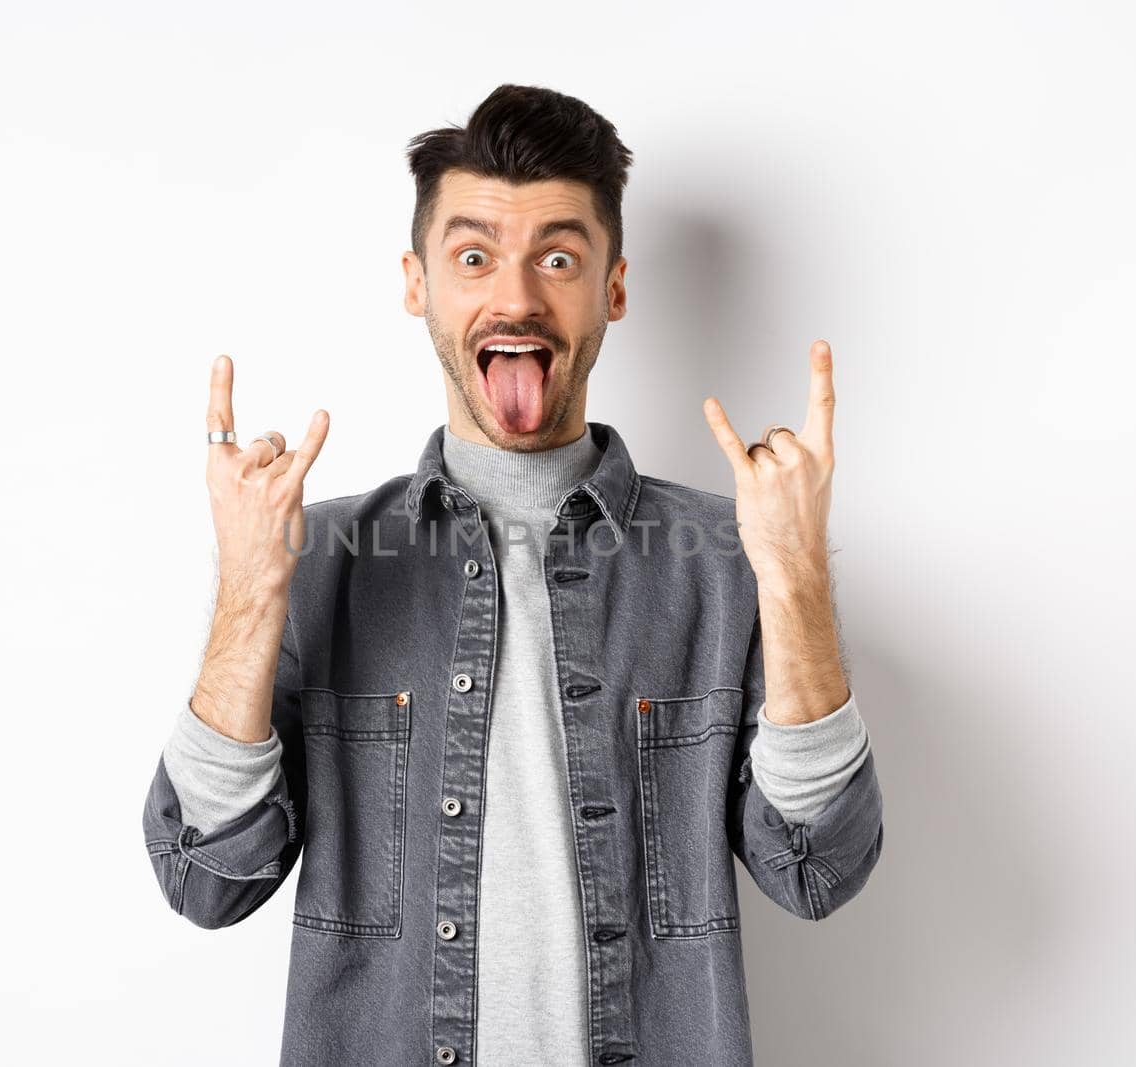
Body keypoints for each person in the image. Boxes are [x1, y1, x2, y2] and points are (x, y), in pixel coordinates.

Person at [141, 83, 884, 1067]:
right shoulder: (312, 558)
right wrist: (248, 592)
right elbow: (204, 878)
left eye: (560, 258)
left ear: (614, 288)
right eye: (474, 256)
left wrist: (791, 581)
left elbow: (816, 869)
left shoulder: (727, 557)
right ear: (417, 283)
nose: (517, 297)